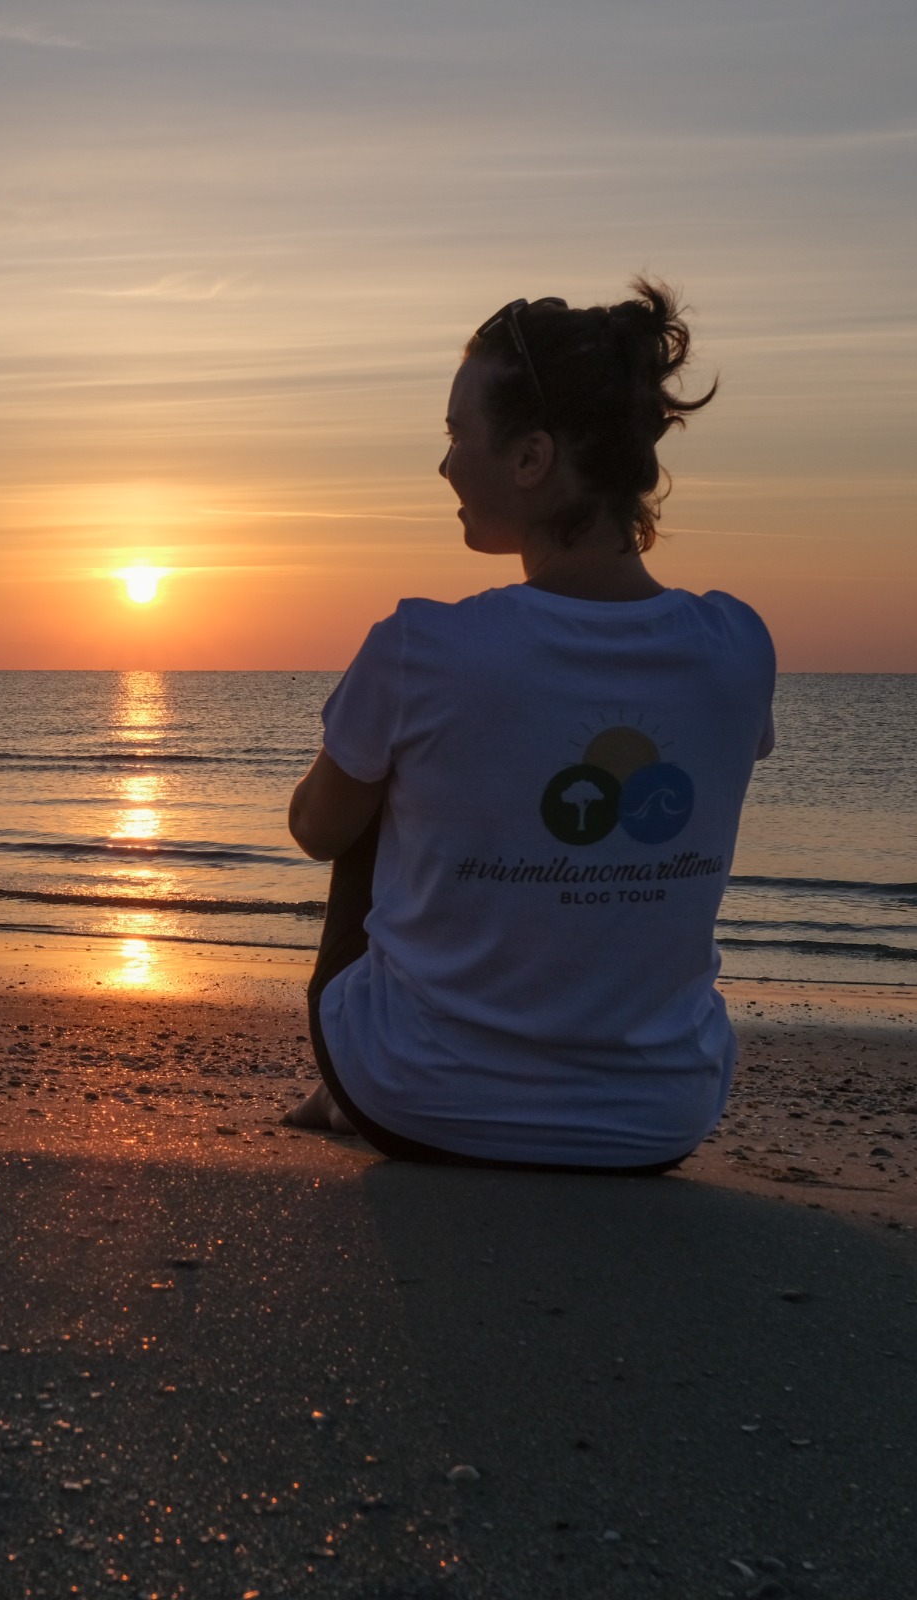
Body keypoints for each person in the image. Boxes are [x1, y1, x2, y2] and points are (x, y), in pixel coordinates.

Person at [286, 281, 774, 1173]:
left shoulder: (420, 646)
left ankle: (348, 1083)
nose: (443, 467)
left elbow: (317, 833)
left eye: (454, 436)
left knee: (367, 790)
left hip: (416, 1104)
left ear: (530, 459)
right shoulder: (736, 646)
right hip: (659, 1120)